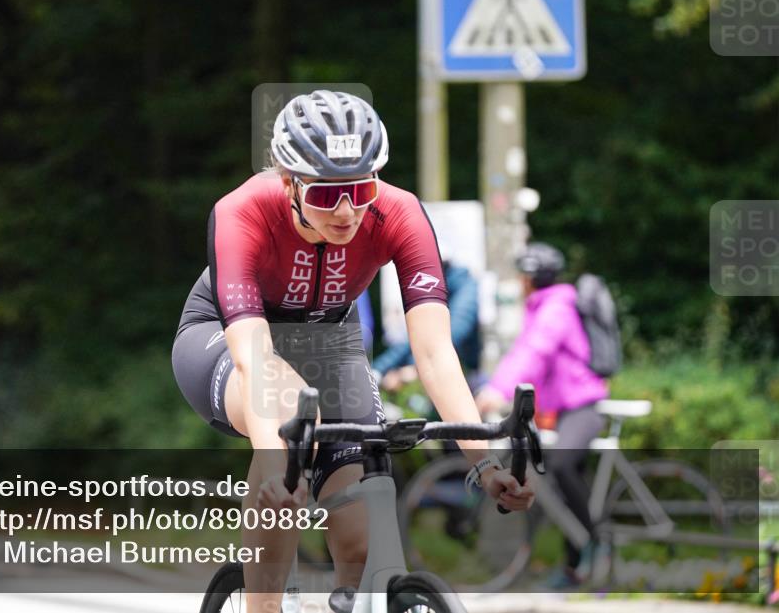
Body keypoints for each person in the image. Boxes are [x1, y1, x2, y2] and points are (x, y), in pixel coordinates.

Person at [172, 90, 534, 612]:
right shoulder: (243, 211)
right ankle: (263, 606)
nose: (346, 211)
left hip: (329, 341)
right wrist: (276, 466)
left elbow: (434, 353)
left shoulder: (398, 213)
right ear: (289, 182)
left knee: (360, 543)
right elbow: (255, 357)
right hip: (228, 341)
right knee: (290, 407)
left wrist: (485, 464)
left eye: (360, 189)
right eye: (325, 196)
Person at [476, 242, 609, 589]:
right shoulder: (546, 306)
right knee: (562, 483)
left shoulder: (555, 309)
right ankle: (576, 569)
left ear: (528, 279)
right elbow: (529, 353)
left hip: (582, 408)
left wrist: (497, 391)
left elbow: (534, 351)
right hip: (564, 410)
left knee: (562, 466)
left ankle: (598, 544)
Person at [373, 256, 480, 392]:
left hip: (465, 371)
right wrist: (378, 370)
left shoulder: (464, 286)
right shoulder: (433, 283)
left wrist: (414, 367)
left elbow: (455, 330)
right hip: (437, 364)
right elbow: (415, 334)